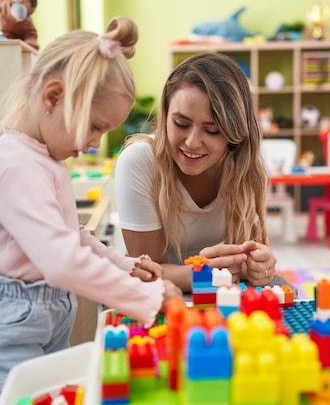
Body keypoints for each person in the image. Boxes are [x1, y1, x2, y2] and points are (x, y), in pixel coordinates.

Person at [0, 16, 182, 405]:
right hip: (4, 328)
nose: (95, 143)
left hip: (46, 314)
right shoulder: (16, 164)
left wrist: (124, 266)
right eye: (94, 127)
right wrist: (146, 298)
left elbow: (72, 236)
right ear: (53, 97)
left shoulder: (47, 160)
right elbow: (62, 261)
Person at [115, 52, 296, 293]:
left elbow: (249, 257)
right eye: (181, 124)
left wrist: (259, 265)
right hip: (159, 290)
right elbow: (147, 270)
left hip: (219, 286)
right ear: (166, 114)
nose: (192, 142)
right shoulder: (139, 161)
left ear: (235, 134)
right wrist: (206, 274)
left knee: (287, 293)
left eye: (211, 130)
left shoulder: (246, 167)